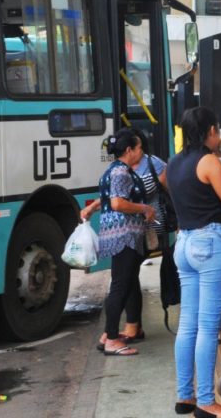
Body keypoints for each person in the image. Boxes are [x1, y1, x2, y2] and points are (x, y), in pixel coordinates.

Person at [167, 106, 221, 418]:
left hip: (185, 243)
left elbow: (198, 185)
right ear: (210, 132)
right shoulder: (209, 161)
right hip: (210, 244)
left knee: (188, 324)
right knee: (208, 327)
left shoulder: (175, 163)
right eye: (217, 129)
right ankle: (206, 401)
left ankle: (185, 396)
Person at [80, 128, 155, 356]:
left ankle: (111, 333)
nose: (141, 152)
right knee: (120, 287)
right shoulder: (122, 172)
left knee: (126, 283)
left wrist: (91, 208)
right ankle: (111, 338)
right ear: (129, 150)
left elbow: (106, 199)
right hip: (125, 235)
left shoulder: (111, 170)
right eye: (139, 147)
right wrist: (145, 208)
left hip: (115, 235)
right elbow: (117, 203)